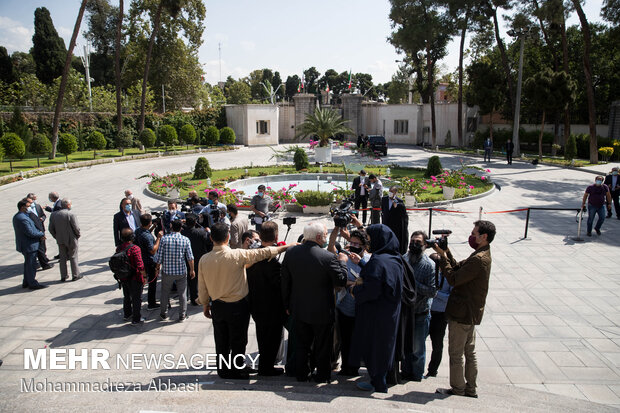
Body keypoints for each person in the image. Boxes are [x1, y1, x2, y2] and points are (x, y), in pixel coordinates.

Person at [198, 222, 292, 379]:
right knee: (238, 340)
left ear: (211, 238)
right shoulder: (237, 255)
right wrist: (286, 247)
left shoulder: (204, 259)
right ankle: (236, 369)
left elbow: (202, 287)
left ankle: (223, 370)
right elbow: (262, 253)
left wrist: (205, 304)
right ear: (228, 237)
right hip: (237, 306)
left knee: (221, 340)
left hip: (218, 306)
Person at [433, 220, 495, 399]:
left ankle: (459, 389)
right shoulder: (481, 254)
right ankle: (470, 388)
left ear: (484, 237)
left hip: (462, 313)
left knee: (456, 353)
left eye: (474, 233)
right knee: (469, 351)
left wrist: (442, 257)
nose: (471, 236)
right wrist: (446, 251)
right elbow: (458, 268)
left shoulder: (478, 259)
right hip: (470, 312)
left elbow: (453, 278)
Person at [281, 221, 348, 383]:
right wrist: (343, 262)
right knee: (323, 345)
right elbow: (341, 280)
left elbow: (285, 281)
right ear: (318, 237)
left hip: (299, 308)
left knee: (302, 344)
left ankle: (301, 373)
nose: (326, 238)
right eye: (325, 235)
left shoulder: (291, 253)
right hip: (322, 311)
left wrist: (287, 304)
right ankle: (322, 375)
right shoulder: (328, 257)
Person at [348, 224, 404, 393]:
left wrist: (354, 290)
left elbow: (372, 290)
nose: (369, 243)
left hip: (376, 315)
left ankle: (378, 383)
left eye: (371, 239)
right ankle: (379, 380)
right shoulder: (394, 258)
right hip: (389, 313)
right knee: (384, 346)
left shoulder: (379, 261)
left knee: (375, 347)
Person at [327, 219, 370, 377]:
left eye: (358, 244)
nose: (354, 246)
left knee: (359, 341)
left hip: (361, 309)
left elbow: (370, 281)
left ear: (364, 247)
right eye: (351, 242)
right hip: (344, 308)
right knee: (344, 340)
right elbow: (331, 245)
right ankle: (346, 368)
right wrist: (337, 226)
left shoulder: (369, 260)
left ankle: (356, 367)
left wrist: (352, 283)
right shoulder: (343, 256)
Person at [246, 221, 287, 376]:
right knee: (273, 338)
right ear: (276, 236)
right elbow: (279, 286)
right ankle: (266, 367)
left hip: (255, 304)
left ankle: (265, 365)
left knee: (262, 336)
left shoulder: (252, 256)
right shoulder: (274, 263)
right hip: (272, 307)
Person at [401, 231, 437, 382]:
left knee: (417, 349)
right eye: (412, 241)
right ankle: (405, 372)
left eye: (418, 242)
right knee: (405, 347)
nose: (414, 244)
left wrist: (413, 284)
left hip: (420, 313)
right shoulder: (404, 259)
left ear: (424, 245)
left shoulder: (429, 265)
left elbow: (432, 291)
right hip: (405, 313)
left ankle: (416, 376)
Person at [154, 220, 195, 322]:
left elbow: (159, 257)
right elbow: (190, 257)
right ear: (181, 228)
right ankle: (182, 315)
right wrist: (192, 270)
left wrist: (157, 268)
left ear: (171, 227)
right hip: (181, 271)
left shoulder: (164, 239)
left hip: (167, 271)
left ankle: (163, 313)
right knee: (182, 294)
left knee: (165, 293)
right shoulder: (185, 240)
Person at [426, 252, 452, 378]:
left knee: (437, 344)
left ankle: (432, 371)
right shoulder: (428, 274)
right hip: (426, 312)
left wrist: (435, 293)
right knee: (418, 342)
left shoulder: (448, 277)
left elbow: (450, 298)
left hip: (440, 315)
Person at [13, 198, 47, 290]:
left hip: (27, 245)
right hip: (29, 245)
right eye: (28, 206)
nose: (30, 208)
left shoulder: (22, 216)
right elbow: (30, 232)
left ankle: (26, 282)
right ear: (22, 207)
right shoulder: (22, 218)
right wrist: (41, 234)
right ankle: (32, 283)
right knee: (31, 265)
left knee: (28, 264)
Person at [116, 228, 147, 324]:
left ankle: (127, 314)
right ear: (132, 237)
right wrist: (144, 277)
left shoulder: (119, 248)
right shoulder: (135, 248)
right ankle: (136, 318)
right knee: (136, 298)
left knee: (126, 296)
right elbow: (140, 266)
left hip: (124, 277)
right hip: (135, 278)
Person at [181, 213, 212, 306]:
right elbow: (208, 242)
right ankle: (204, 297)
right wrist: (208, 232)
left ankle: (193, 298)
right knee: (203, 279)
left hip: (187, 259)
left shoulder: (183, 233)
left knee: (192, 280)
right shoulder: (201, 232)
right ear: (195, 222)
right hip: (200, 258)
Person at [48, 198, 82, 282]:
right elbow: (76, 228)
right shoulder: (71, 214)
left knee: (62, 258)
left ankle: (63, 275)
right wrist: (77, 235)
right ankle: (75, 275)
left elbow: (50, 229)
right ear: (68, 205)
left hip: (60, 239)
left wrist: (56, 236)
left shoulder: (53, 214)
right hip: (71, 239)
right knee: (73, 256)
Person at [134, 213, 163, 310]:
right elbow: (153, 250)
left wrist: (153, 227)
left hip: (142, 259)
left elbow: (146, 233)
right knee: (152, 283)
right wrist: (158, 238)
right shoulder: (147, 237)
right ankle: (151, 303)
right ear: (149, 222)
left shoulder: (138, 230)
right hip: (150, 262)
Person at [25, 193, 52, 270]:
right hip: (34, 231)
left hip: (41, 229)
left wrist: (42, 219)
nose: (33, 203)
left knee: (42, 246)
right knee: (38, 248)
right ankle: (42, 263)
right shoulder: (26, 211)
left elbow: (43, 215)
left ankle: (44, 258)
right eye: (31, 201)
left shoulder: (37, 206)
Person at [381, 186, 409, 254]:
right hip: (386, 222)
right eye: (389, 191)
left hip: (394, 225)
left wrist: (395, 204)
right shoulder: (384, 199)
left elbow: (402, 214)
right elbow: (383, 209)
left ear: (395, 192)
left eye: (392, 191)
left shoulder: (399, 201)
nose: (390, 193)